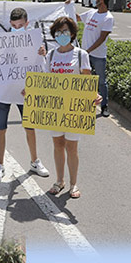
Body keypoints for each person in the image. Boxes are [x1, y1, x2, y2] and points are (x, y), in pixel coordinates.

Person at [0, 6, 49, 183]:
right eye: (13, 25)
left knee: (30, 127)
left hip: (25, 92)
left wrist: (43, 54)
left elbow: (41, 67)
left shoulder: (36, 42)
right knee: (0, 129)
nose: (17, 28)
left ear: (27, 23)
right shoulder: (2, 40)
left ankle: (35, 161)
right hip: (3, 92)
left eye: (20, 25)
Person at [46, 15, 94, 200]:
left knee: (72, 147)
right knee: (58, 144)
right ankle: (59, 180)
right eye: (58, 32)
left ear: (72, 33)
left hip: (74, 109)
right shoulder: (51, 55)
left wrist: (93, 97)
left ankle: (73, 183)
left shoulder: (81, 55)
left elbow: (87, 82)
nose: (61, 35)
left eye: (65, 31)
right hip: (55, 108)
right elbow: (45, 82)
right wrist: (32, 92)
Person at [76, 0, 113, 116]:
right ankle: (85, 104)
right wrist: (67, 6)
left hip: (98, 56)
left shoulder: (108, 18)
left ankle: (104, 106)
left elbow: (102, 38)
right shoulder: (91, 12)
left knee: (101, 81)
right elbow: (77, 18)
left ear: (101, 0)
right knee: (84, 80)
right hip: (85, 54)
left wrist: (88, 51)